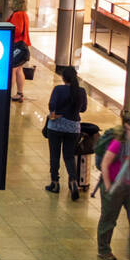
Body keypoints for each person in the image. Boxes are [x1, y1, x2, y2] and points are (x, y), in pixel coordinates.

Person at [45, 65, 87, 200]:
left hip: (56, 127)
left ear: (63, 78)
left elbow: (52, 105)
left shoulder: (58, 89)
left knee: (54, 155)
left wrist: (53, 114)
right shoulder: (81, 91)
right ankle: (73, 182)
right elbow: (83, 109)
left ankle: (55, 183)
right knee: (69, 156)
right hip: (73, 128)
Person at [97, 110, 130, 260]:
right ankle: (104, 250)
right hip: (114, 186)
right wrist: (107, 187)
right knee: (109, 219)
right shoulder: (119, 142)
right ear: (128, 126)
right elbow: (105, 163)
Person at [7, 0, 31, 101]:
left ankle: (7, 94)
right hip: (24, 46)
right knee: (18, 70)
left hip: (18, 45)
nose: (9, 2)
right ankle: (20, 93)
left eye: (10, 0)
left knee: (12, 69)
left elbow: (17, 30)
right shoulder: (24, 14)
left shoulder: (17, 15)